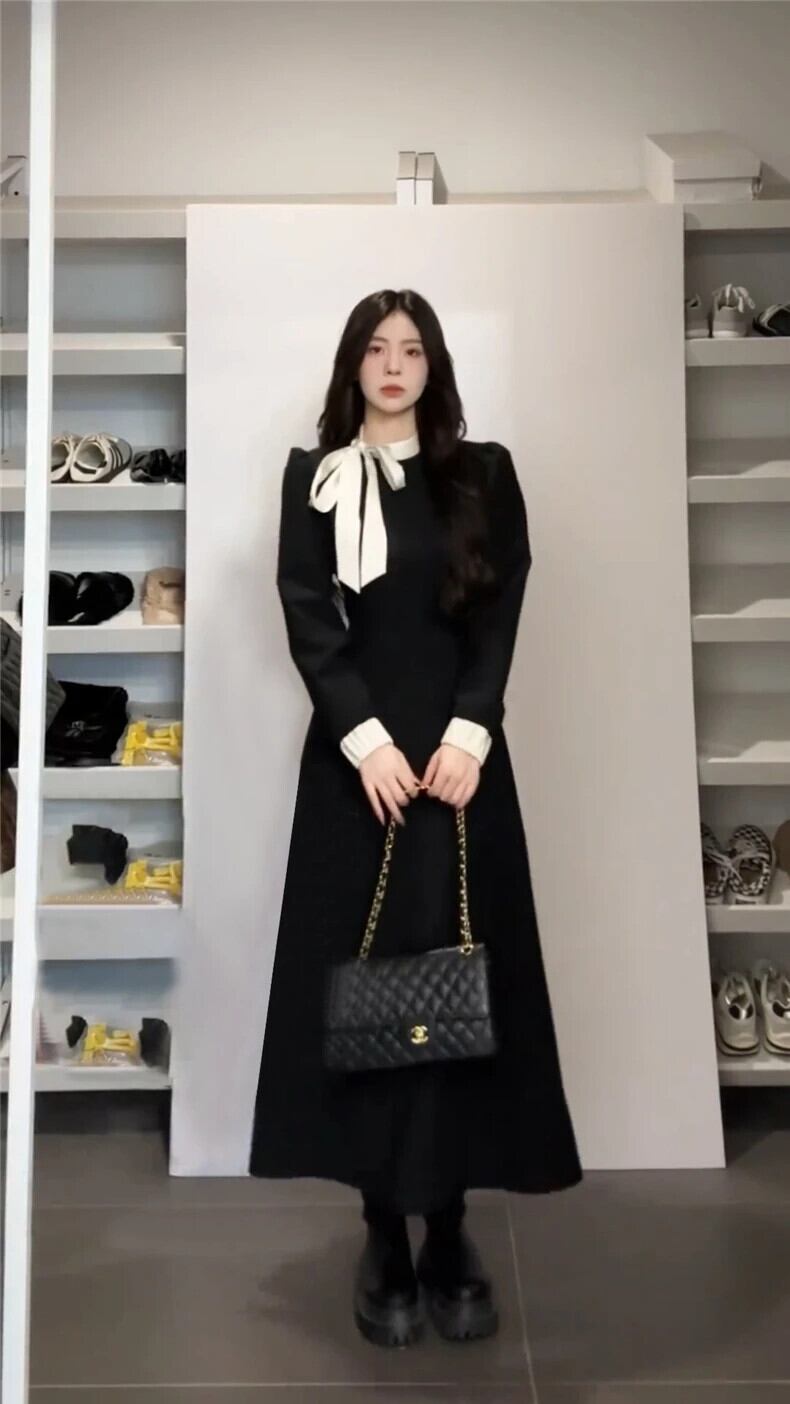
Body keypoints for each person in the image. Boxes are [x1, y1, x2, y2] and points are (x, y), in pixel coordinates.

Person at [249, 287, 582, 1348]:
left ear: (433, 367)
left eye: (412, 349)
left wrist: (471, 732)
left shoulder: (483, 474)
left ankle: (449, 1228)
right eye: (376, 348)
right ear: (352, 364)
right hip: (359, 775)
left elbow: (501, 607)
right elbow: (309, 614)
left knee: (457, 993)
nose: (394, 365)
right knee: (368, 1003)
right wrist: (365, 740)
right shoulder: (315, 478)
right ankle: (381, 1230)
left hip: (457, 771)